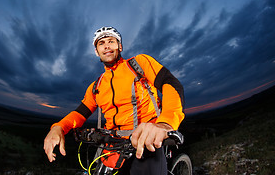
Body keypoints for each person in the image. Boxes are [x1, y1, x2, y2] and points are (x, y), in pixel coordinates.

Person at [44, 26, 185, 175]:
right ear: (96, 51)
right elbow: (80, 113)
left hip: (146, 139)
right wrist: (58, 127)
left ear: (120, 46)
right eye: (101, 43)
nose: (106, 46)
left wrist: (165, 123)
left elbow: (170, 83)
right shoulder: (96, 86)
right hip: (112, 145)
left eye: (111, 41)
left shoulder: (138, 64)